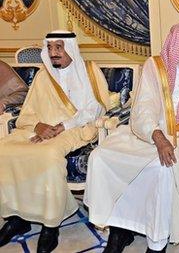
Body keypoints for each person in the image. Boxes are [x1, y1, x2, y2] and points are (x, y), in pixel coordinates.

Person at [84, 22, 179, 253]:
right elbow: (143, 107)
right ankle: (119, 229)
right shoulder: (154, 67)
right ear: (176, 43)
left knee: (162, 168)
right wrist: (158, 136)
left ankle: (157, 242)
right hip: (147, 133)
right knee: (101, 156)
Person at [0, 30, 109, 252]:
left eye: (58, 47)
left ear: (70, 48)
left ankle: (51, 225)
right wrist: (39, 125)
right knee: (4, 149)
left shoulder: (89, 71)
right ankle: (17, 217)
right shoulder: (43, 75)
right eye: (49, 48)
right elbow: (29, 111)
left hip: (75, 127)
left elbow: (96, 107)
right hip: (40, 126)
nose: (53, 53)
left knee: (47, 155)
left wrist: (62, 126)